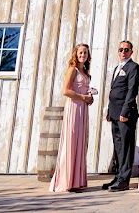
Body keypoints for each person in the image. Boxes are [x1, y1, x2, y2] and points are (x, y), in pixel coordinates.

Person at [49, 44, 95, 193]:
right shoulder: (73, 70)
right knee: (71, 141)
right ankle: (66, 180)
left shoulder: (86, 72)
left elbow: (83, 89)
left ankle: (76, 180)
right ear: (76, 54)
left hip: (83, 109)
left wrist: (89, 98)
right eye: (81, 52)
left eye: (85, 53)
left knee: (80, 142)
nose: (83, 55)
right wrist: (82, 97)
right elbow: (66, 91)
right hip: (74, 108)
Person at [102, 40, 139, 192]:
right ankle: (118, 176)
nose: (123, 52)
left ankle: (124, 180)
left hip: (125, 114)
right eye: (120, 50)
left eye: (126, 50)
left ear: (131, 52)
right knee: (118, 146)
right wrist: (109, 111)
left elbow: (131, 91)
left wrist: (125, 112)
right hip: (114, 112)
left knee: (126, 146)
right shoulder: (117, 68)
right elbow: (113, 91)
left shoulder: (134, 67)